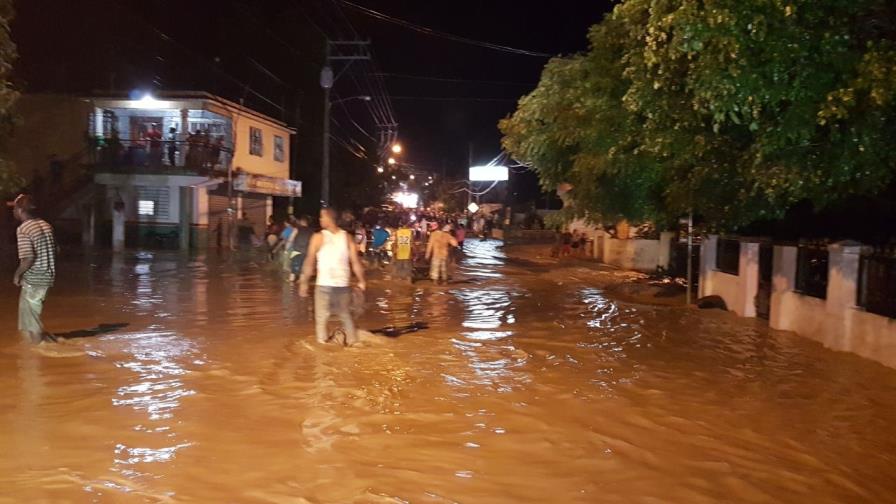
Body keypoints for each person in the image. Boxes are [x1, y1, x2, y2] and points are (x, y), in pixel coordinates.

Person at [300, 208, 366, 345]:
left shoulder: (318, 237)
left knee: (321, 317)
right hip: (343, 285)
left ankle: (322, 347)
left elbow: (309, 261)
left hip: (324, 284)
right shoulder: (347, 237)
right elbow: (355, 262)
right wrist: (361, 280)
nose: (320, 220)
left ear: (329, 219)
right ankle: (353, 342)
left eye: (322, 217)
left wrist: (304, 282)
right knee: (345, 315)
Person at [11, 195, 57, 344]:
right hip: (47, 277)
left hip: (34, 279)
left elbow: (28, 258)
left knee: (31, 323)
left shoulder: (23, 229)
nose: (13, 212)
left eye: (14, 208)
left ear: (20, 210)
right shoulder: (46, 225)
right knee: (31, 318)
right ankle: (42, 345)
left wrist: (17, 275)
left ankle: (38, 353)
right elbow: (57, 250)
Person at [285, 215, 313, 283]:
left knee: (293, 269)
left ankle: (291, 281)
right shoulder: (311, 231)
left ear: (301, 221)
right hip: (306, 252)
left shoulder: (297, 229)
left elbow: (291, 239)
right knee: (303, 270)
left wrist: (287, 248)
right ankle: (301, 281)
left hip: (296, 251)